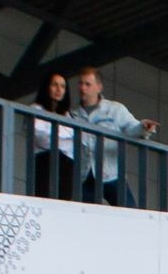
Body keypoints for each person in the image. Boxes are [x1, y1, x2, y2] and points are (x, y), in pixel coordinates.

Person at [72, 66, 158, 207]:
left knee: (130, 214)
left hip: (111, 173)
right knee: (85, 217)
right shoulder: (74, 114)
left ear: (99, 87)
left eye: (88, 84)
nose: (83, 88)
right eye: (81, 83)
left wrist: (144, 127)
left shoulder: (114, 109)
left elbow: (131, 127)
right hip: (85, 174)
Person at [23, 72, 75, 198]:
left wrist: (54, 135)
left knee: (64, 205)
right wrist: (63, 139)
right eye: (55, 85)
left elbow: (72, 144)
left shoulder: (68, 115)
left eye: (63, 86)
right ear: (47, 87)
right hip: (44, 161)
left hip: (66, 166)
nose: (59, 89)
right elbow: (41, 137)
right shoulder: (36, 109)